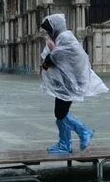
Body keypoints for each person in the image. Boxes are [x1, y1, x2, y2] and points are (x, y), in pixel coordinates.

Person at [39, 14, 106, 153]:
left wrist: (52, 53)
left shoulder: (66, 38)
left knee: (60, 113)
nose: (48, 32)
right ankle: (65, 144)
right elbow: (49, 60)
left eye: (49, 29)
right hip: (64, 83)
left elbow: (58, 56)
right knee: (60, 114)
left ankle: (83, 132)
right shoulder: (60, 39)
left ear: (55, 27)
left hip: (70, 83)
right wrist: (49, 57)